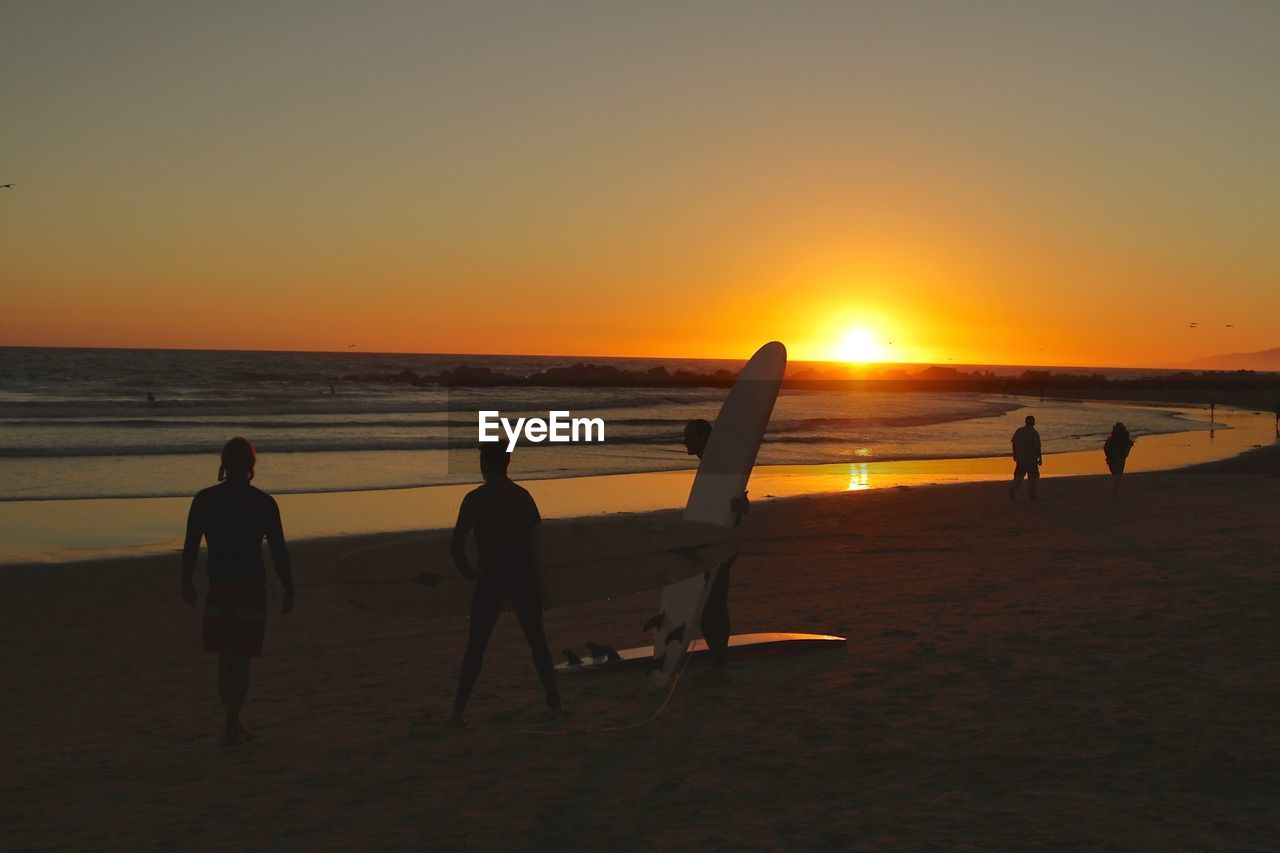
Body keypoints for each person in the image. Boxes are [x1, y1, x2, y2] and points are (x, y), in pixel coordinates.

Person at [182, 437, 295, 746]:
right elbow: (278, 550)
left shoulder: (204, 499)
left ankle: (231, 725)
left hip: (219, 587)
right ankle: (231, 725)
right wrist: (289, 589)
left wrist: (185, 581)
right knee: (241, 662)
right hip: (250, 589)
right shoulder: (263, 503)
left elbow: (191, 544)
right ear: (251, 465)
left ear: (223, 463)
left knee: (224, 660)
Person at [450, 444, 562, 725]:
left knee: (476, 646)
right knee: (537, 642)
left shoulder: (475, 499)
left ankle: (458, 712)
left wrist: (469, 574)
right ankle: (554, 706)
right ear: (507, 462)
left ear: (485, 462)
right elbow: (540, 540)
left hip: (492, 577)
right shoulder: (522, 496)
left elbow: (456, 546)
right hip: (523, 575)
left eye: (480, 458)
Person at [682, 418, 749, 683]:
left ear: (704, 437)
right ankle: (719, 663)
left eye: (689, 435)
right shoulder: (711, 464)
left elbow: (742, 505)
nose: (684, 440)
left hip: (721, 543)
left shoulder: (720, 466)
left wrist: (739, 507)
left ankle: (719, 666)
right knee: (714, 605)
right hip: (712, 541)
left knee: (710, 606)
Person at [1008, 415, 1042, 502]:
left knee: (1019, 476)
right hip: (1031, 459)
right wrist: (1040, 458)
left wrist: (1015, 454)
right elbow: (1037, 447)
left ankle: (1013, 488)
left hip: (1021, 458)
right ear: (1033, 422)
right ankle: (1032, 495)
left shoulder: (1019, 431)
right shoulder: (1034, 433)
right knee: (1033, 477)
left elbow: (1014, 443)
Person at [1103, 422, 1135, 495]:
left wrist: (1108, 456)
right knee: (1118, 475)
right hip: (1120, 458)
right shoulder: (1124, 437)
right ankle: (1114, 490)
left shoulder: (1112, 438)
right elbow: (1131, 443)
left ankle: (1114, 491)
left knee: (1115, 475)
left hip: (1113, 458)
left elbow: (1106, 448)